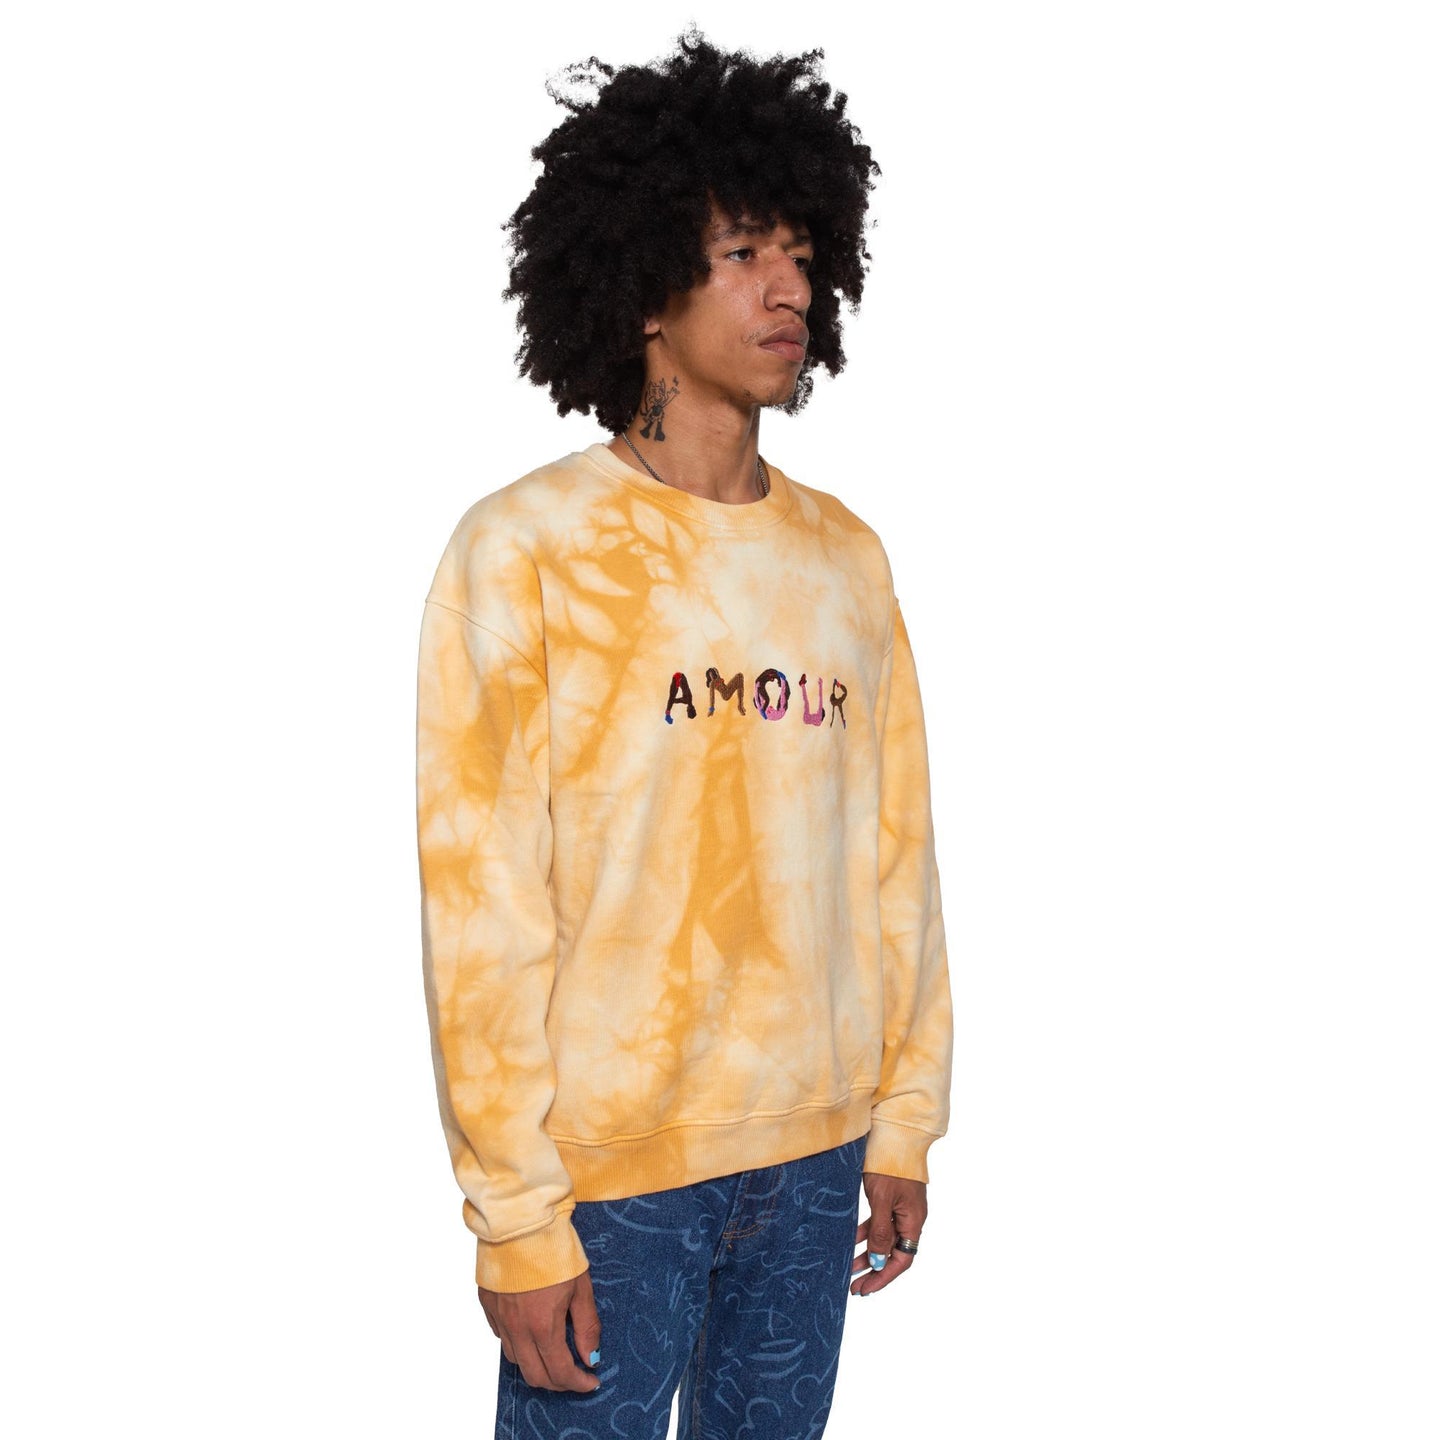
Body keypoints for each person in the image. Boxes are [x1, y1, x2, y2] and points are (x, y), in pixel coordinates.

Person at [415, 28, 953, 1440]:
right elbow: (481, 906)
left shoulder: (848, 562)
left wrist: (904, 1120)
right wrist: (516, 1217)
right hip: (611, 1176)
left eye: (803, 255)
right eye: (742, 254)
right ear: (648, 281)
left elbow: (896, 862)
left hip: (817, 1152)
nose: (790, 289)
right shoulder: (526, 549)